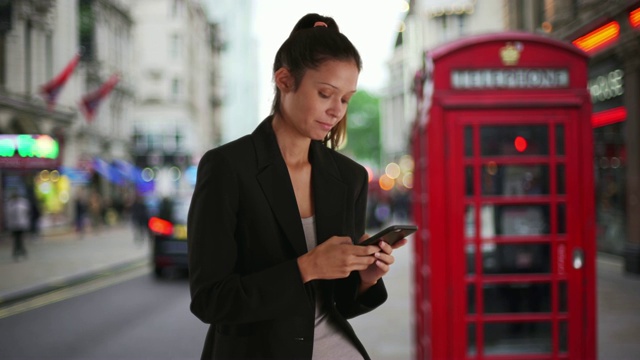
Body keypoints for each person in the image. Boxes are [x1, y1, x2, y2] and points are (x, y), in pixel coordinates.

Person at [187, 13, 407, 360]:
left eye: (346, 99)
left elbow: (337, 303)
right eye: (325, 94)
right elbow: (210, 300)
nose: (336, 111)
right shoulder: (228, 167)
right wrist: (307, 267)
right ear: (284, 80)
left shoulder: (348, 177)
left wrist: (365, 278)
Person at [5, 191, 31, 261]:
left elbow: (27, 213)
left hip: (21, 224)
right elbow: (8, 216)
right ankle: (20, 251)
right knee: (17, 239)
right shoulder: (9, 204)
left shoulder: (23, 203)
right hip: (13, 225)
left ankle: (19, 252)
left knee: (19, 239)